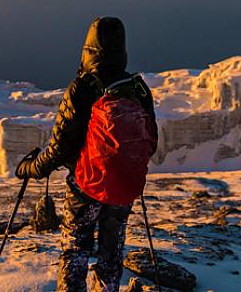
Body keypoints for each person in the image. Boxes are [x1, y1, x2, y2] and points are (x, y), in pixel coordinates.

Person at [15, 16, 158, 292]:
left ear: (89, 49)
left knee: (76, 249)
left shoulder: (83, 87)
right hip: (123, 188)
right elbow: (151, 142)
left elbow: (60, 148)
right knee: (112, 254)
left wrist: (31, 168)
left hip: (86, 186)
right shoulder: (138, 89)